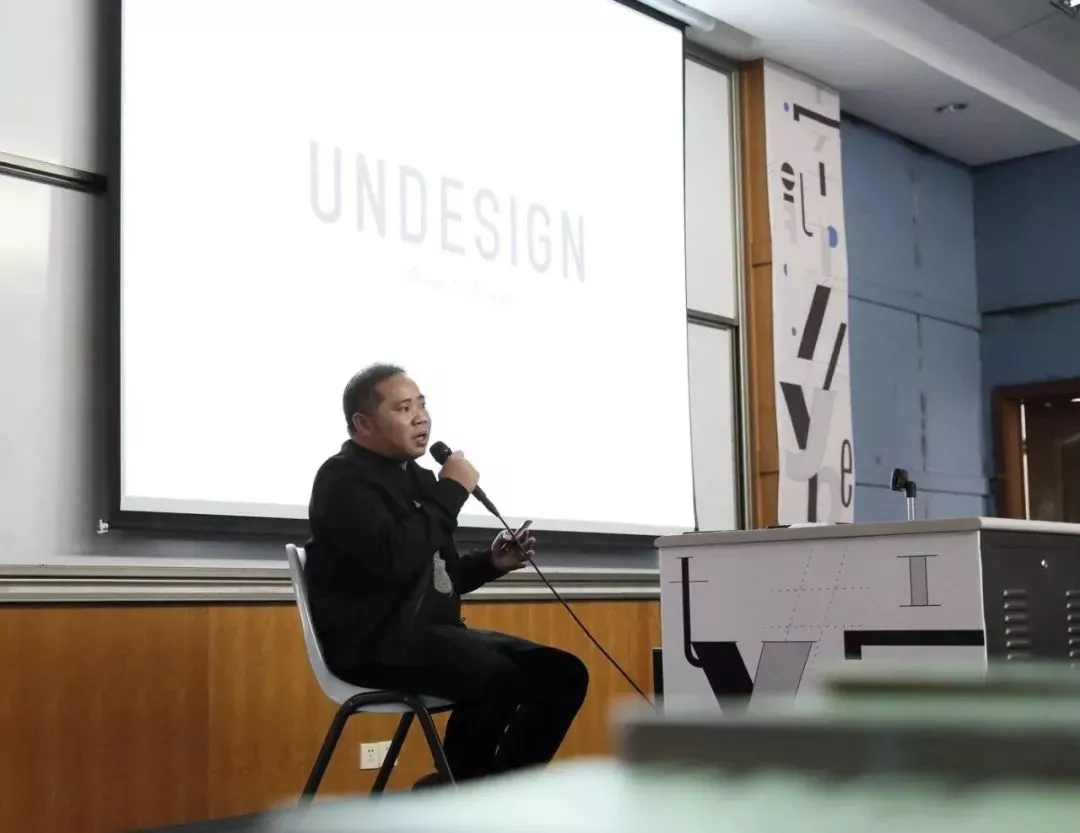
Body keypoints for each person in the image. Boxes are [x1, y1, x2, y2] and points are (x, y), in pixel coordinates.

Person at [304, 363, 589, 786]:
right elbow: (395, 559)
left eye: (422, 405)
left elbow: (441, 576)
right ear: (363, 424)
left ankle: (500, 791)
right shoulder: (343, 481)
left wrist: (491, 563)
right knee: (495, 678)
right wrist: (452, 490)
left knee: (563, 672)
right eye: (403, 408)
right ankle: (460, 795)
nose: (420, 418)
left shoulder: (419, 480)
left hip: (431, 636)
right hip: (374, 645)